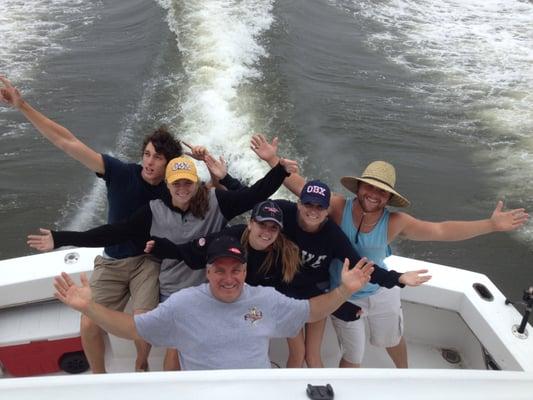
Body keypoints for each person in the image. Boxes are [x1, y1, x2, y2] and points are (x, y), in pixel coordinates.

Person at [250, 134, 528, 368]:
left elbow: (442, 230)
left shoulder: (396, 222)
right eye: (369, 187)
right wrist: (272, 160)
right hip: (342, 292)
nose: (374, 194)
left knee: (392, 339)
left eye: (381, 191)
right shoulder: (336, 206)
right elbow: (301, 187)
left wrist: (490, 225)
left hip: (381, 288)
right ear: (359, 187)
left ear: (389, 197)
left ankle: (404, 375)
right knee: (353, 353)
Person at [28, 154, 297, 370]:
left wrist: (279, 170)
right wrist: (60, 238)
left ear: (197, 182)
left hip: (210, 286)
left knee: (195, 343)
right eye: (176, 183)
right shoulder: (153, 211)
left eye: (187, 183)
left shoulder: (218, 201)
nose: (182, 189)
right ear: (167, 185)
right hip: (171, 288)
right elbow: (114, 232)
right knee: (176, 346)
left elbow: (253, 195)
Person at [0, 76, 183, 373]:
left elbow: (209, 200)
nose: (150, 162)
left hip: (147, 261)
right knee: (88, 320)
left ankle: (141, 363)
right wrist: (22, 106)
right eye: (147, 154)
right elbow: (66, 141)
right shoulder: (120, 173)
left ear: (169, 164)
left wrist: (215, 174)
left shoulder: (173, 191)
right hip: (111, 261)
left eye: (158, 158)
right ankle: (98, 377)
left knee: (142, 321)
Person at [52, 235, 376, 371]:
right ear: (207, 272)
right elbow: (133, 327)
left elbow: (311, 311)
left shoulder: (265, 299)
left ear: (245, 271)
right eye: (219, 270)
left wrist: (344, 291)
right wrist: (89, 308)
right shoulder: (183, 305)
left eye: (235, 270)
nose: (228, 278)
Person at [212, 173, 430, 368]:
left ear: (328, 211)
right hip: (288, 297)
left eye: (319, 207)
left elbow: (359, 265)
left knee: (312, 356)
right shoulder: (284, 213)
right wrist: (225, 178)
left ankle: (322, 391)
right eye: (308, 204)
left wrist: (398, 277)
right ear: (298, 204)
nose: (312, 211)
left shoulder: (333, 236)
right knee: (297, 354)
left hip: (318, 296)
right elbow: (253, 198)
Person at [145, 200, 301, 293]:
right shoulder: (230, 238)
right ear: (250, 223)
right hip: (225, 295)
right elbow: (193, 252)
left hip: (256, 307)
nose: (267, 232)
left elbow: (282, 290)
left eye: (273, 228)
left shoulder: (285, 254)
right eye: (262, 224)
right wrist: (163, 247)